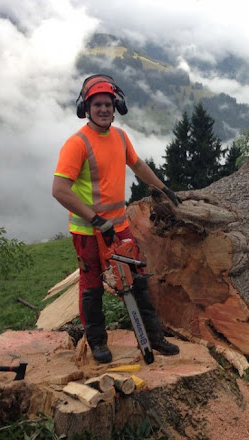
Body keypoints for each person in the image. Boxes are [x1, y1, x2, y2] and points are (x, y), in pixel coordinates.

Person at [52, 74, 180, 363]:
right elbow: (60, 190)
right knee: (92, 285)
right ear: (86, 108)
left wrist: (162, 188)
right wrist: (97, 220)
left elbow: (137, 164)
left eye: (108, 104)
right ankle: (97, 342)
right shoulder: (77, 144)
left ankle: (154, 338)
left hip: (119, 227)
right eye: (97, 104)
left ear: (116, 106)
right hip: (87, 231)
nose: (103, 109)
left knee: (136, 281)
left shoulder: (120, 137)